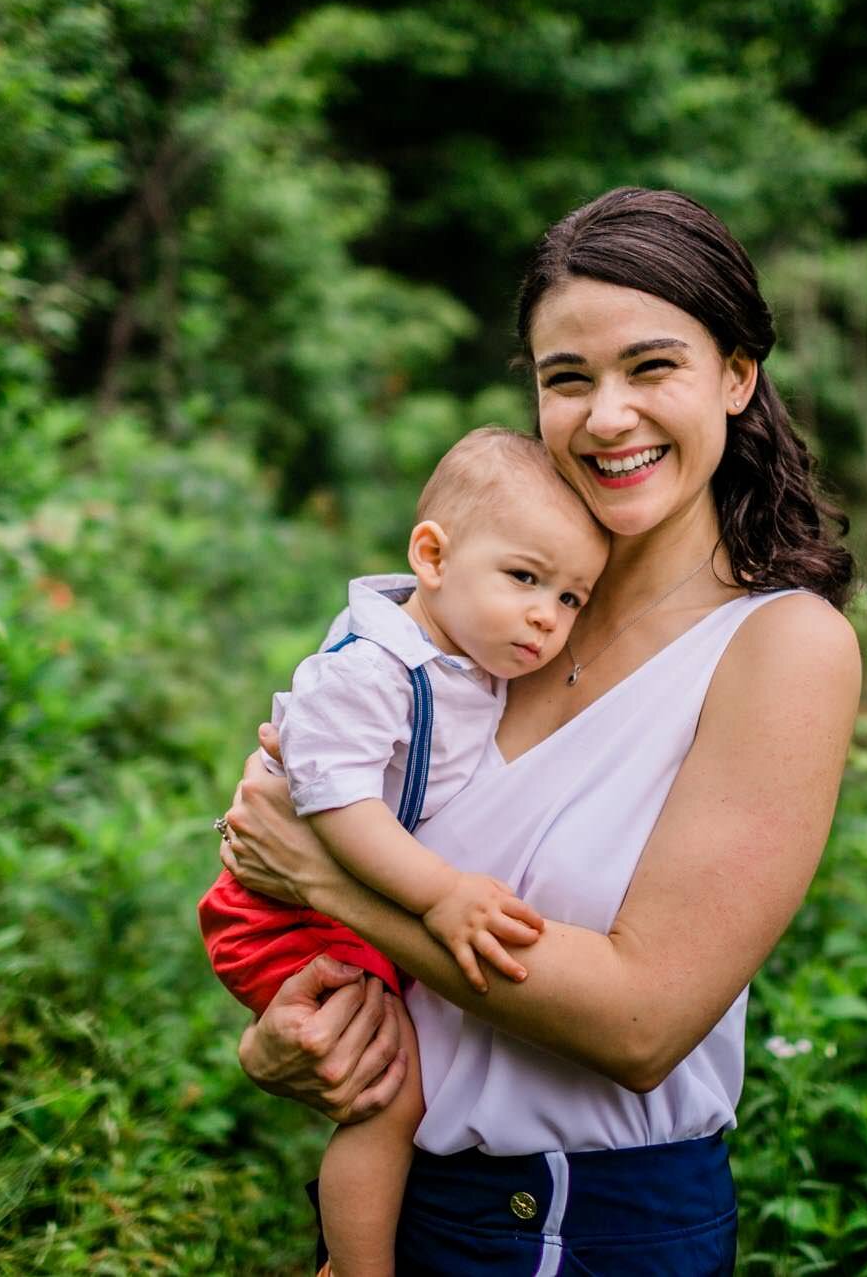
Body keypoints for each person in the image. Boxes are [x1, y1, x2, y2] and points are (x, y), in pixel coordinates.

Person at [218, 187, 861, 1275]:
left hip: (589, 1226)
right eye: (568, 379)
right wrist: (287, 1039)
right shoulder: (491, 620)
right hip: (402, 1204)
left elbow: (640, 1025)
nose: (606, 415)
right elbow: (304, 857)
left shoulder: (778, 648)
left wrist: (328, 884)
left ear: (736, 377)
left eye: (650, 367)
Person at [199, 427, 609, 1276]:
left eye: (572, 598)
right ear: (431, 555)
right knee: (391, 1096)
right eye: (525, 578)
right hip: (281, 909)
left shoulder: (474, 656)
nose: (547, 614)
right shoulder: (370, 668)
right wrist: (440, 893)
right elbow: (335, 805)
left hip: (339, 904)